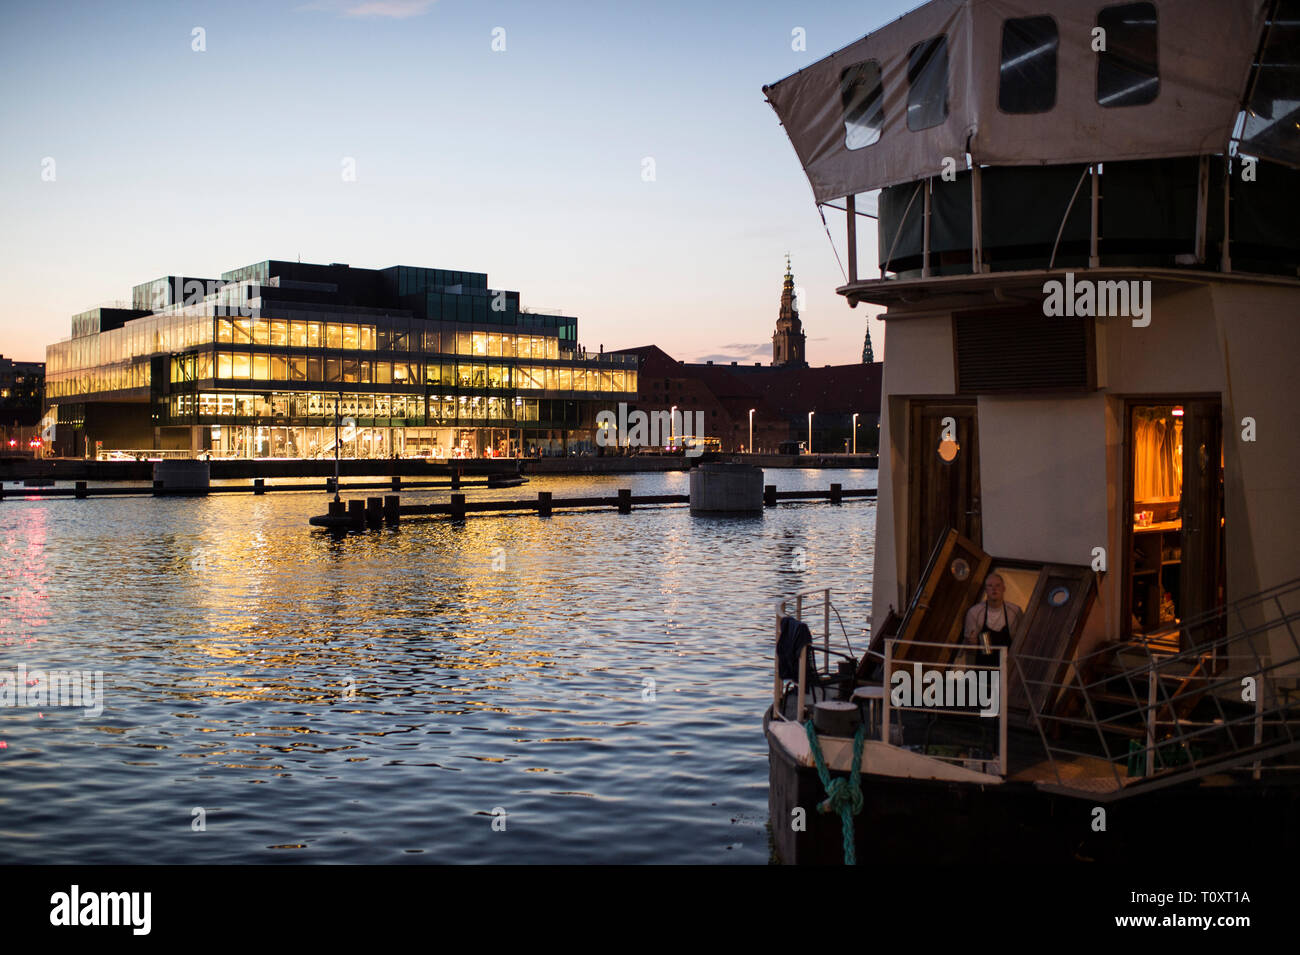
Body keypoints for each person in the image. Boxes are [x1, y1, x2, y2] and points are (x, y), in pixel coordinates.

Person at [963, 573, 1024, 667]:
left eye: (998, 585)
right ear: (986, 590)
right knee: (984, 636)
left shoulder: (1015, 611)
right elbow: (970, 647)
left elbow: (1021, 640)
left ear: (1004, 588)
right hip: (984, 665)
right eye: (990, 586)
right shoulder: (975, 612)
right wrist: (971, 642)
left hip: (1008, 664)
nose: (994, 589)